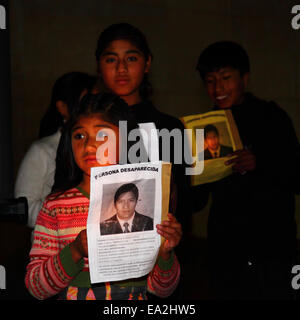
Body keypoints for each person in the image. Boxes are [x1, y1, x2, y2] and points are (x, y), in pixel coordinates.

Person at [25, 92, 182, 300]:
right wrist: (75, 251)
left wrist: (166, 253)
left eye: (103, 136)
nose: (89, 145)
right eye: (79, 135)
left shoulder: (146, 204)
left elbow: (162, 289)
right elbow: (36, 287)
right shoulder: (56, 206)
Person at [193, 41, 300, 299]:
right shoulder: (203, 128)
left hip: (272, 247)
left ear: (245, 78)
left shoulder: (271, 116)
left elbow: (297, 176)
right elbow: (197, 201)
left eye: (226, 78)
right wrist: (191, 173)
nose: (218, 88)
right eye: (210, 81)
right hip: (225, 250)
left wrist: (259, 163)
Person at [94, 23, 191, 229]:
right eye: (111, 59)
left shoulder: (169, 127)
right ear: (99, 66)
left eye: (131, 58)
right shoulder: (86, 127)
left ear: (147, 63)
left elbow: (187, 200)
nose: (121, 68)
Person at [14, 72, 97, 228]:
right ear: (62, 107)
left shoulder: (106, 146)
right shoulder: (41, 150)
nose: (93, 108)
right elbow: (24, 208)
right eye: (85, 101)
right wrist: (66, 209)